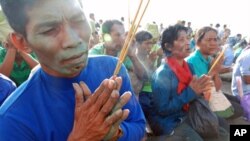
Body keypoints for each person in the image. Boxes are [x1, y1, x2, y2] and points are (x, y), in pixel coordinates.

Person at [0, 0, 146, 140]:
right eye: (49, 30)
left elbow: (139, 126)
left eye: (78, 20)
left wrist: (116, 132)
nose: (73, 40)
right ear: (22, 42)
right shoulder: (13, 119)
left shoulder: (112, 68)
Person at [146, 24, 213, 140]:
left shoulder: (189, 67)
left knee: (220, 129)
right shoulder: (163, 74)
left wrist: (202, 90)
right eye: (182, 39)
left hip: (187, 114)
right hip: (170, 121)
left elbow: (194, 93)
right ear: (168, 46)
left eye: (188, 38)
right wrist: (191, 92)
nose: (188, 42)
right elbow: (162, 109)